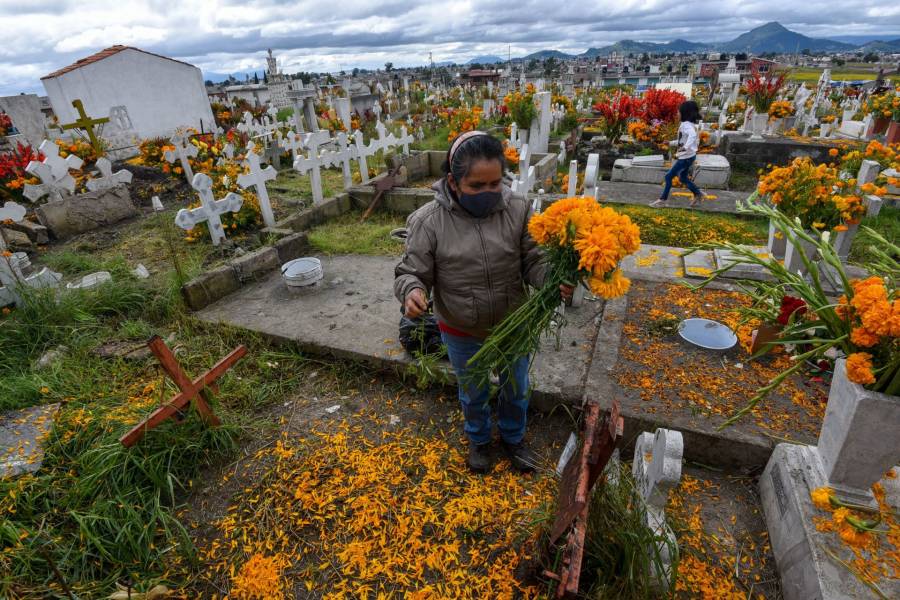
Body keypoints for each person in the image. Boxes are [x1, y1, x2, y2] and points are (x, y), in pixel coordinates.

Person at [394, 131, 573, 473]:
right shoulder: (427, 222)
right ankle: (478, 440)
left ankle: (513, 438)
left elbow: (533, 260)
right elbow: (410, 272)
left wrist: (551, 280)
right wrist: (413, 292)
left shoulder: (519, 209)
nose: (489, 194)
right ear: (454, 181)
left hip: (515, 325)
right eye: (477, 186)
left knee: (516, 387)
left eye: (495, 184)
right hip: (461, 329)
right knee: (473, 391)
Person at [650, 100, 705, 208]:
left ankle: (662, 200)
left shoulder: (686, 125)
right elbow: (683, 140)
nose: (677, 114)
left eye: (678, 112)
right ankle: (698, 194)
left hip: (685, 158)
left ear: (685, 113)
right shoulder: (690, 125)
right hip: (689, 156)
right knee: (683, 178)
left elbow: (692, 136)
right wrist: (670, 143)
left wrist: (685, 147)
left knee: (668, 176)